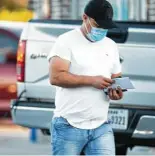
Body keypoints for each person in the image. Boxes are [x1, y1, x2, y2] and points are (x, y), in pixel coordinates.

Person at [47, 0, 124, 155]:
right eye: (98, 25)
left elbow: (116, 77)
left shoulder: (110, 45)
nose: (101, 30)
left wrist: (117, 91)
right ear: (85, 17)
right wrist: (91, 81)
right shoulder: (66, 41)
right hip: (69, 124)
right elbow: (56, 77)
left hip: (101, 125)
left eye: (105, 26)